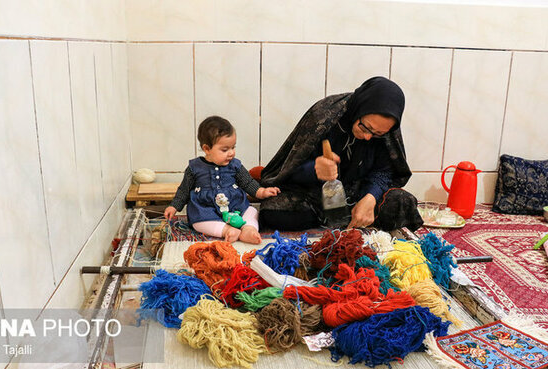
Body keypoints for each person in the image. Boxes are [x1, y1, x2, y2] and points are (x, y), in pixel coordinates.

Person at [259, 76, 423, 231]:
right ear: (359, 110)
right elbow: (290, 169)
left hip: (358, 194)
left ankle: (351, 215)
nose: (368, 137)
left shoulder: (387, 130)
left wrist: (371, 197)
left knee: (403, 202)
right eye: (365, 128)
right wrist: (314, 169)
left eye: (377, 134)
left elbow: (385, 171)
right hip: (315, 195)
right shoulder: (324, 115)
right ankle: (339, 218)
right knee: (272, 210)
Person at [165, 116, 280, 244]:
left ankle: (248, 229)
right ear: (207, 149)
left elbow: (248, 182)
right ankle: (227, 230)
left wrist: (261, 191)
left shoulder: (235, 165)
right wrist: (174, 206)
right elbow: (184, 190)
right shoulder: (194, 168)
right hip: (206, 209)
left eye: (233, 147)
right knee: (198, 222)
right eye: (225, 150)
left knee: (251, 211)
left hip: (235, 206)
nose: (231, 153)